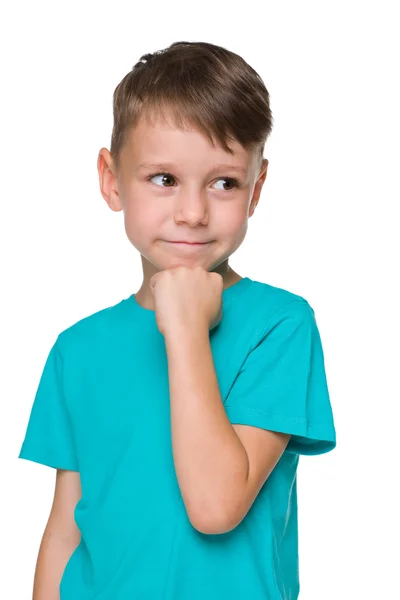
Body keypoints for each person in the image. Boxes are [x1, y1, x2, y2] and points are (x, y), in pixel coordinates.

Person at [18, 40, 337, 600]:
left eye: (224, 182)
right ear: (112, 180)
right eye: (163, 179)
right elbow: (67, 527)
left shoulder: (280, 326)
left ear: (256, 189)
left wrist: (187, 328)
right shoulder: (78, 348)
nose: (192, 212)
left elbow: (215, 507)